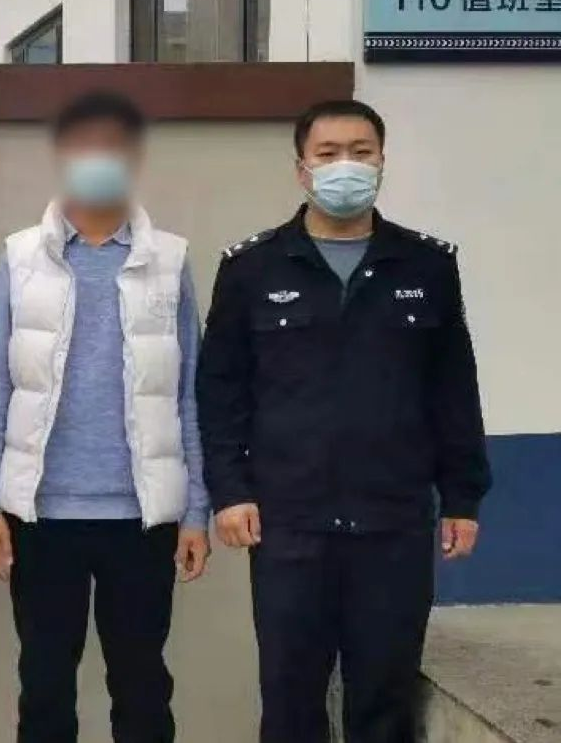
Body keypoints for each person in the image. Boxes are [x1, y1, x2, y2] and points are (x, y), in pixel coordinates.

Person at [197, 99, 491, 743]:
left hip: (393, 523)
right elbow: (220, 393)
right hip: (289, 524)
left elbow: (452, 390)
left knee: (385, 701)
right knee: (290, 700)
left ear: (382, 162)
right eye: (328, 154)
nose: (346, 166)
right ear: (302, 169)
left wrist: (462, 497)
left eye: (361, 152)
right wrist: (230, 491)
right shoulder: (252, 268)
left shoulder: (427, 265)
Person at [0, 91, 211, 743]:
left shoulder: (170, 260)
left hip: (143, 516)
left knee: (142, 688)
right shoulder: (22, 257)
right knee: (45, 687)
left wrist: (196, 510)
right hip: (41, 514)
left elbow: (189, 392)